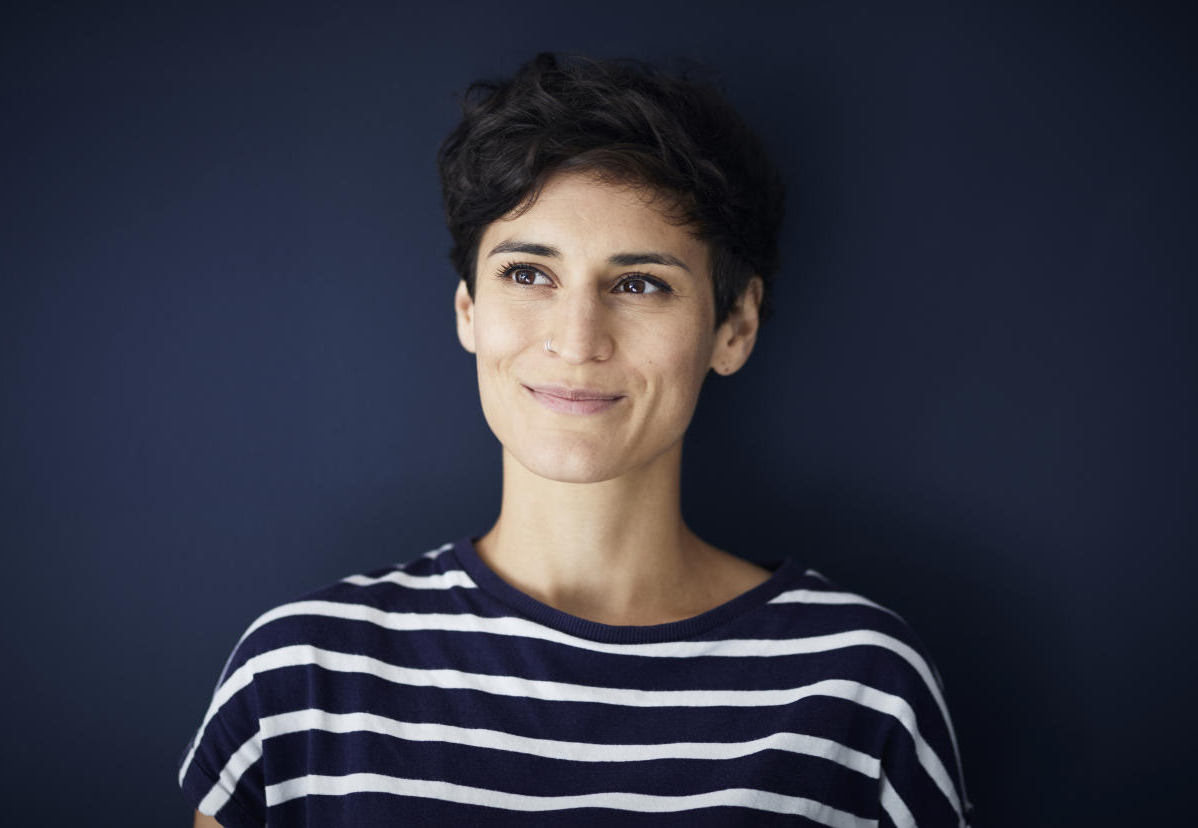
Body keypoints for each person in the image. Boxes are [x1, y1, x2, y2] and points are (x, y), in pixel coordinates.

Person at [180, 52, 974, 827]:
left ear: (734, 327)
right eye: (528, 273)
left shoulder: (862, 690)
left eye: (639, 284)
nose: (576, 339)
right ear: (468, 309)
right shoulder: (304, 675)